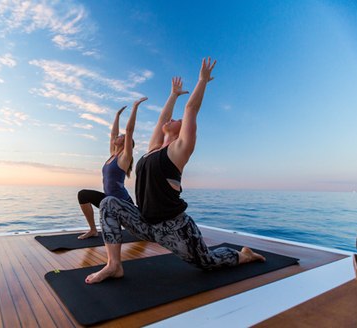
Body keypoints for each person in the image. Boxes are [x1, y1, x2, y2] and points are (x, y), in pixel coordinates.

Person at [86, 58, 265, 284]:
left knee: (207, 263)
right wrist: (173, 95)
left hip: (175, 228)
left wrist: (202, 81)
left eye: (178, 119)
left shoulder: (180, 149)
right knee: (108, 203)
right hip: (145, 222)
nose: (173, 118)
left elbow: (191, 108)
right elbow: (162, 118)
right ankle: (114, 265)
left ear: (183, 130)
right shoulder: (152, 150)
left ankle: (243, 256)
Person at [77, 97, 148, 239]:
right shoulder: (112, 155)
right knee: (83, 195)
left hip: (123, 203)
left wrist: (135, 107)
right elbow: (113, 135)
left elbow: (129, 130)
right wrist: (117, 115)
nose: (118, 136)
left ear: (126, 142)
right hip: (109, 200)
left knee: (142, 232)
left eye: (122, 137)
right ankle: (93, 230)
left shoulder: (124, 158)